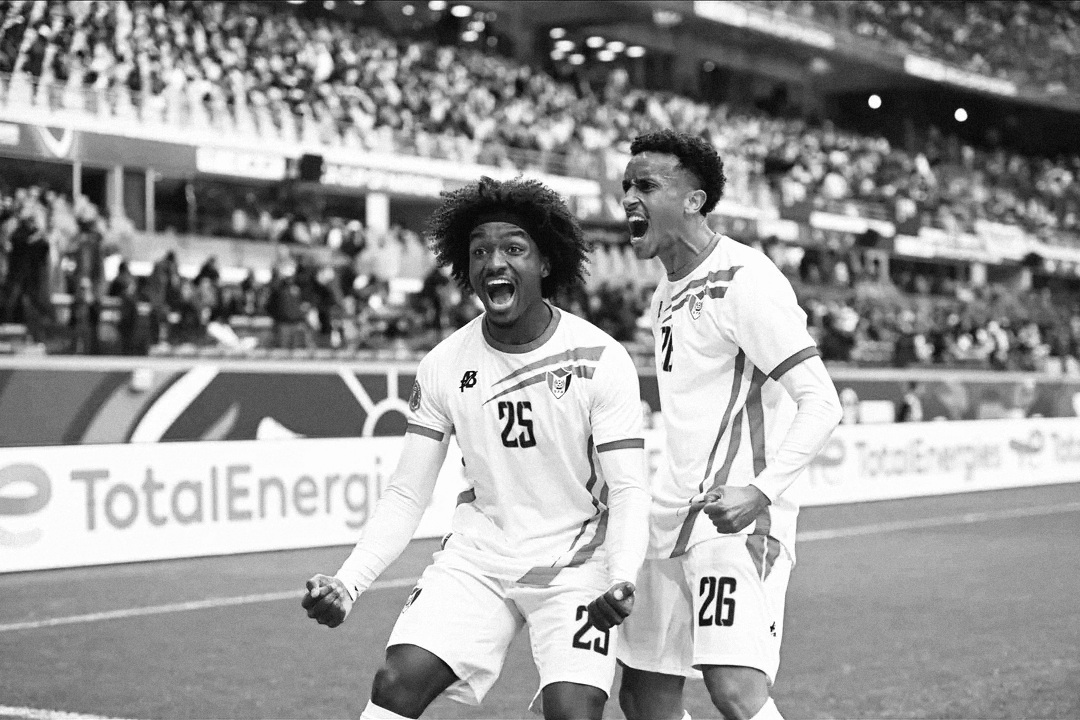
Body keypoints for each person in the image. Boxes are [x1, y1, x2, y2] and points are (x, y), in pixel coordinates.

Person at [302, 176, 651, 720]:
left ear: (546, 262)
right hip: (480, 555)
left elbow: (628, 488)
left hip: (578, 563)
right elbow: (406, 494)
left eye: (514, 248)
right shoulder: (444, 363)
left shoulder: (599, 358)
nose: (494, 262)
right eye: (480, 251)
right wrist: (348, 583)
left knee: (573, 712)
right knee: (396, 683)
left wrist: (623, 575)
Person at [612, 129, 843, 720]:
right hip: (669, 516)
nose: (629, 198)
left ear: (694, 200)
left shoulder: (746, 278)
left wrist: (759, 493)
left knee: (735, 689)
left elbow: (821, 401)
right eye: (627, 186)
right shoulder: (665, 291)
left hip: (732, 516)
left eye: (646, 186)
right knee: (644, 696)